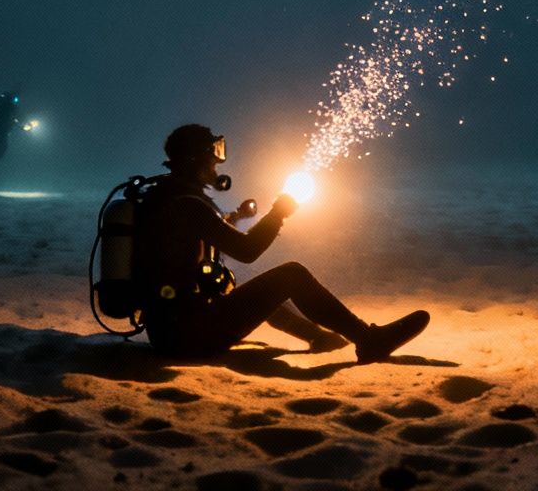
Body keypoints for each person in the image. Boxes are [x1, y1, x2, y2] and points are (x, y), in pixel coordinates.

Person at [131, 124, 429, 361]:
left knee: (249, 289)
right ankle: (368, 340)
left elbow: (191, 242)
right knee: (292, 275)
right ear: (196, 159)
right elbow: (247, 251)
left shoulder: (167, 198)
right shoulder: (187, 205)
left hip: (170, 332)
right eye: (214, 153)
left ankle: (317, 336)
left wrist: (232, 219)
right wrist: (279, 212)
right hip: (189, 336)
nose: (218, 162)